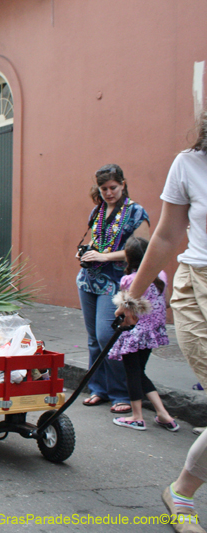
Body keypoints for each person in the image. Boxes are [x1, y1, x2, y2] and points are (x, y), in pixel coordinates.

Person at [115, 111, 207, 533]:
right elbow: (167, 235)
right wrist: (132, 299)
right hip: (199, 288)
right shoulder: (189, 163)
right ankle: (184, 493)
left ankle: (182, 490)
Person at [77, 164, 150, 415]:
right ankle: (99, 389)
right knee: (93, 340)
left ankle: (122, 393)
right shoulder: (97, 211)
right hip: (88, 280)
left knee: (107, 336)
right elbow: (97, 242)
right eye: (104, 188)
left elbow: (142, 249)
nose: (108, 193)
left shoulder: (136, 212)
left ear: (123, 184)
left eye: (113, 188)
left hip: (116, 282)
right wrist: (86, 251)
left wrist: (105, 257)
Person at [108, 236, 177, 431]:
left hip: (134, 333)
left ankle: (137, 416)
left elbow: (123, 308)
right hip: (152, 332)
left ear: (128, 259)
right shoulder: (161, 275)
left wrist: (118, 313)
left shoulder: (129, 280)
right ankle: (163, 414)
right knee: (140, 372)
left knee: (132, 373)